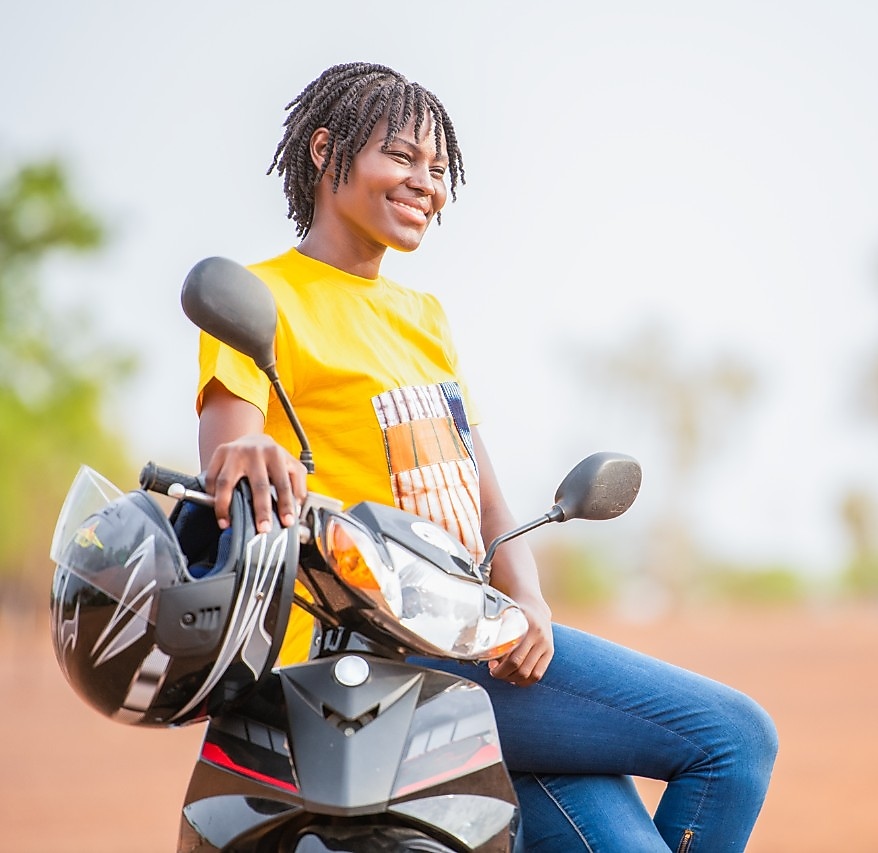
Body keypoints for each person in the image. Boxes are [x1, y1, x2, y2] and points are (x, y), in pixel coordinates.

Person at [196, 61, 777, 852]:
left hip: (480, 646)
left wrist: (529, 601)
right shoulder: (265, 298)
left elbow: (485, 497)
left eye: (439, 169)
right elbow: (230, 455)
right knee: (735, 738)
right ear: (325, 150)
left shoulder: (423, 316)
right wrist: (252, 448)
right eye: (401, 157)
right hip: (372, 657)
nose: (426, 183)